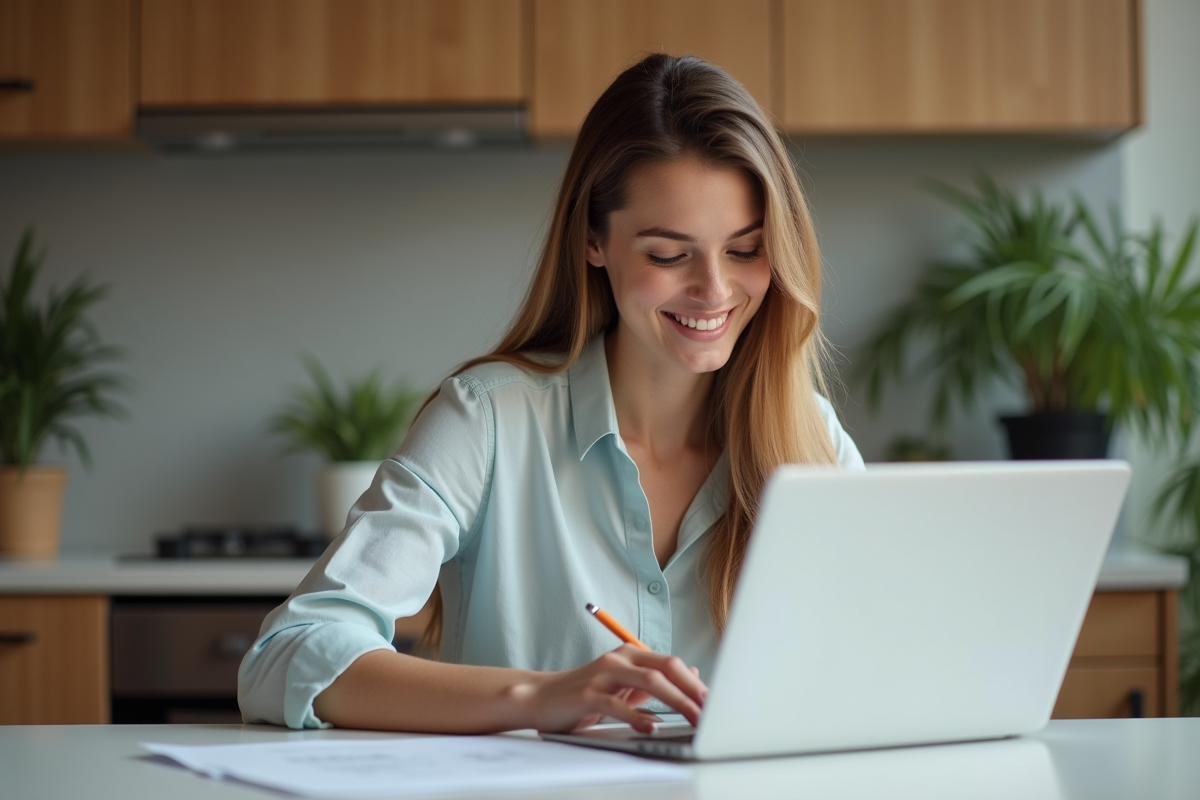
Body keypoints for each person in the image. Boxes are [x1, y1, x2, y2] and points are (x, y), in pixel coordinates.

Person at [238, 53, 864, 735]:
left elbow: (893, 658)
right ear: (594, 240)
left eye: (744, 250)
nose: (714, 290)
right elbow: (285, 656)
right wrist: (538, 698)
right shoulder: (488, 420)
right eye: (667, 254)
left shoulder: (812, 442)